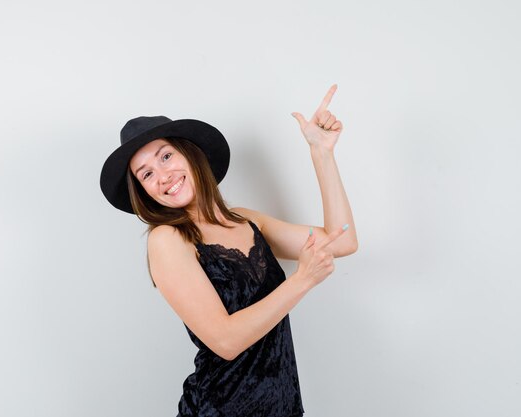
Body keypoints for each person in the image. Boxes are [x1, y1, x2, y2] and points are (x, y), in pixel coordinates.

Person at [100, 84, 358, 417]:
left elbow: (342, 241)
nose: (163, 176)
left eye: (166, 156)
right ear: (143, 192)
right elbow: (226, 341)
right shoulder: (167, 239)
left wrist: (322, 154)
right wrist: (302, 280)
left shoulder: (248, 221)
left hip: (283, 407)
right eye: (147, 174)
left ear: (189, 155)